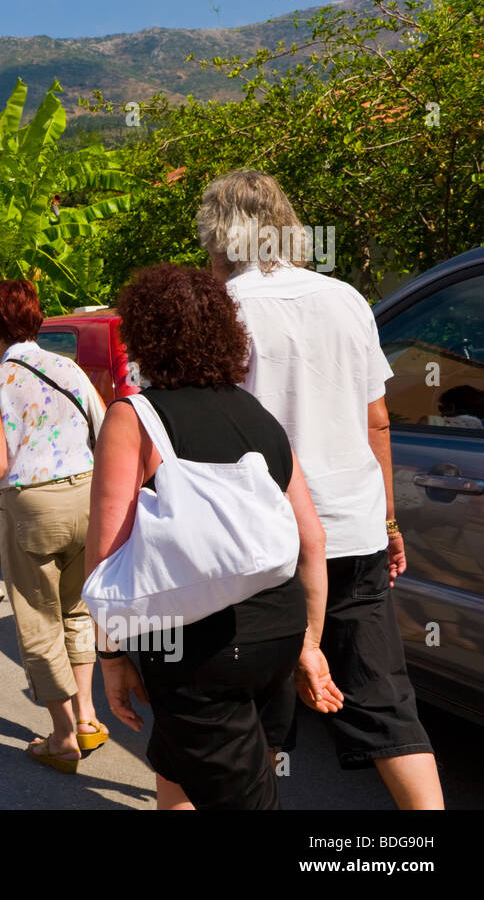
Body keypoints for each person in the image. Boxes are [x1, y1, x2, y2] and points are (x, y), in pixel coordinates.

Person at [200, 169, 443, 809]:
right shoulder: (348, 300)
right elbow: (376, 421)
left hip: (262, 541)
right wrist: (390, 522)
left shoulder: (223, 310)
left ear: (218, 232)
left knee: (254, 710)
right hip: (355, 528)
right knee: (385, 698)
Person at [87, 264, 337, 810]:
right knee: (182, 769)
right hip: (277, 631)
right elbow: (312, 540)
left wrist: (110, 657)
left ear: (145, 337)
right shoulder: (260, 416)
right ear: (228, 332)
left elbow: (106, 557)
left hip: (190, 646)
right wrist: (309, 647)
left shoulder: (135, 418)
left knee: (239, 796)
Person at [0, 279, 106, 770]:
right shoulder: (67, 368)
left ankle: (64, 736)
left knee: (38, 622)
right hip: (88, 496)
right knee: (76, 610)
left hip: (33, 509)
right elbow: (106, 425)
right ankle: (89, 716)